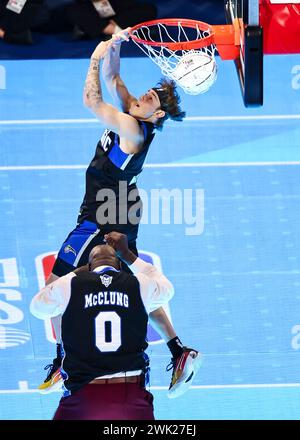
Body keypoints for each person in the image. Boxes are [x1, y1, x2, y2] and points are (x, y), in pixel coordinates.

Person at [39, 28, 202, 399]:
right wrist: (115, 43)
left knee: (54, 285)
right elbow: (114, 79)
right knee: (134, 284)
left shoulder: (131, 128)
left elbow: (92, 100)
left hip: (103, 215)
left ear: (156, 113)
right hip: (121, 205)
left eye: (153, 97)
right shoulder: (134, 112)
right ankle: (178, 350)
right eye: (150, 90)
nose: (146, 94)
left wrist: (94, 58)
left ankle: (63, 357)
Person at [30, 232, 174, 420]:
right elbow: (167, 288)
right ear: (120, 265)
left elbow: (37, 307)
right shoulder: (139, 284)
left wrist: (76, 272)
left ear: (89, 267)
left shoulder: (70, 284)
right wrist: (129, 255)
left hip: (84, 393)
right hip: (130, 392)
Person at [65, 0, 157, 40]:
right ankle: (115, 32)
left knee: (149, 9)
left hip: (118, 14)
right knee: (73, 10)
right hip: (94, 14)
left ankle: (115, 32)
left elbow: (128, 4)